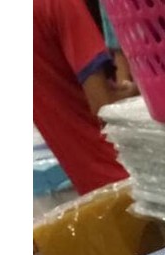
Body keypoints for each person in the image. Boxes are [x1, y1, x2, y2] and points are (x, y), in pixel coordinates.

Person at [33, 0, 136, 195]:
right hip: (128, 173)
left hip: (91, 185)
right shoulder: (60, 4)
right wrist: (143, 90)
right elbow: (104, 106)